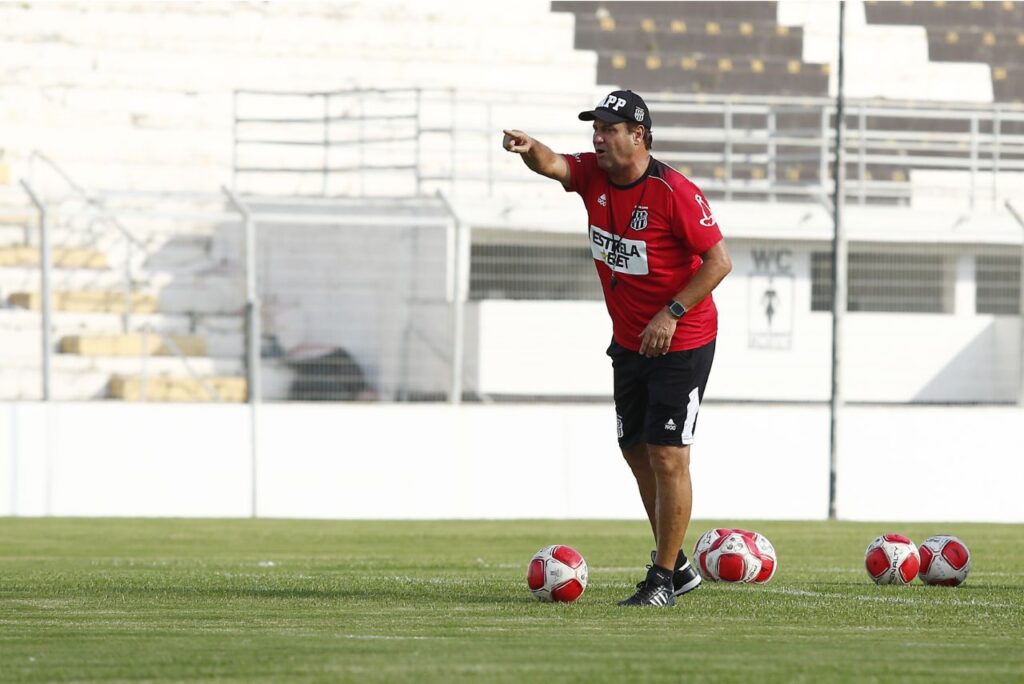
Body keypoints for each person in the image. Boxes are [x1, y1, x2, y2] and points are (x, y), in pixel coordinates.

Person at [502, 89, 732, 607]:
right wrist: (529, 146)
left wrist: (670, 314)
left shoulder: (674, 191)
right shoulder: (594, 175)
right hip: (630, 342)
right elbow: (556, 165)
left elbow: (719, 261)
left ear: (639, 136)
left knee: (668, 455)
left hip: (682, 339)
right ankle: (681, 568)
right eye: (595, 128)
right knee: (635, 452)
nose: (597, 137)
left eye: (608, 128)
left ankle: (662, 578)